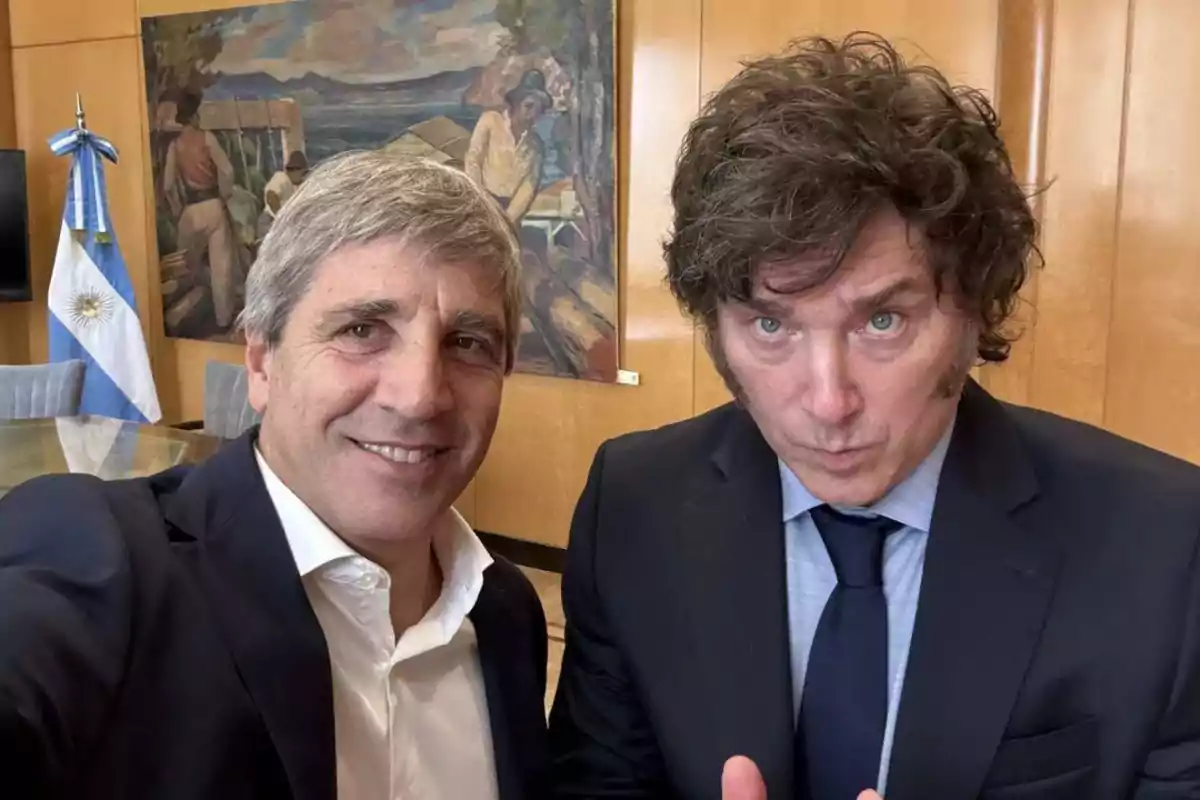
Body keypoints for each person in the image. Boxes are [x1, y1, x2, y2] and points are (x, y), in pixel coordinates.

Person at [548, 32, 1200, 800]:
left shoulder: (1166, 543)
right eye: (770, 325)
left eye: (882, 322)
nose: (828, 403)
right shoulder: (633, 504)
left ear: (974, 309)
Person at [0, 151, 549, 799]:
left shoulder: (507, 614)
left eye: (467, 343)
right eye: (363, 329)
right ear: (261, 363)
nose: (420, 396)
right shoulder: (105, 560)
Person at [162, 87, 240, 329]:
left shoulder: (174, 146)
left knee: (184, 270)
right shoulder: (207, 138)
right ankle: (223, 321)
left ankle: (175, 316)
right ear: (195, 116)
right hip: (212, 206)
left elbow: (166, 185)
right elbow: (227, 171)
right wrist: (225, 194)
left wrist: (177, 209)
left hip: (189, 212)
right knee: (221, 268)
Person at [465, 68, 552, 223]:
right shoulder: (490, 121)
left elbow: (528, 189)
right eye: (528, 106)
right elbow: (473, 160)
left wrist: (508, 221)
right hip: (480, 202)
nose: (532, 114)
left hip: (509, 213)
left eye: (538, 110)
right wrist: (480, 202)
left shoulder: (536, 146)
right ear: (516, 103)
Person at [256, 150, 309, 241]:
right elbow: (271, 196)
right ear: (295, 170)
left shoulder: (294, 186)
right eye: (303, 173)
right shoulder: (281, 178)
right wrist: (281, 217)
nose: (303, 177)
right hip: (270, 221)